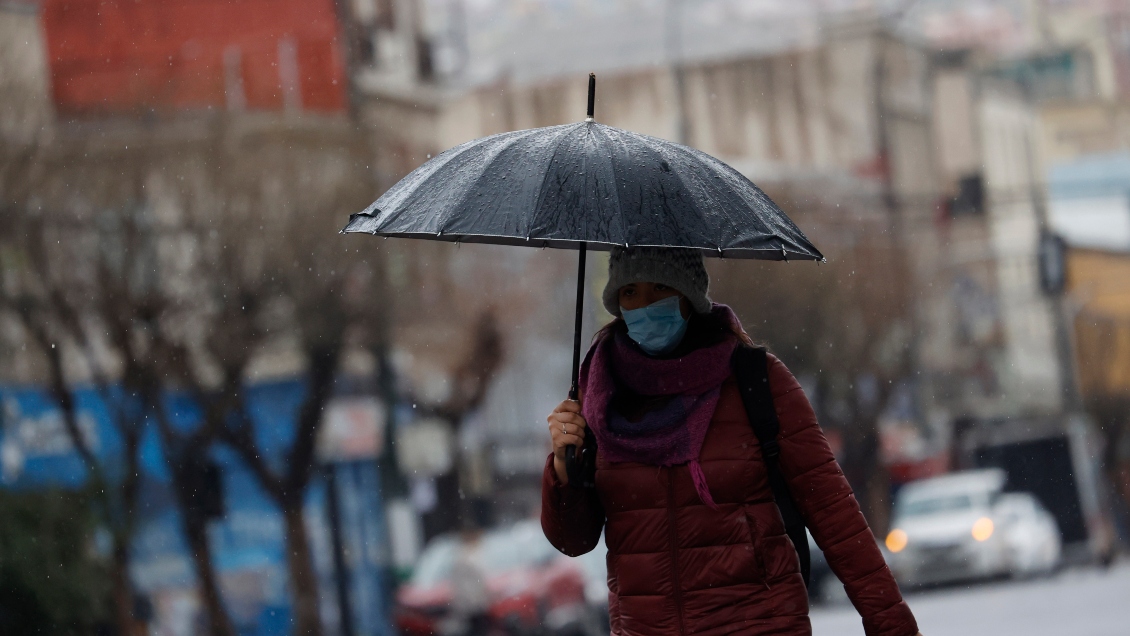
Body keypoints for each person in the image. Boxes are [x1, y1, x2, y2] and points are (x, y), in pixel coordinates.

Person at [541, 247, 922, 636]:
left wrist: (891, 624)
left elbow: (834, 515)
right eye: (630, 292)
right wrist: (562, 468)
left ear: (690, 296)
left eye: (660, 287)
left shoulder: (754, 380)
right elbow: (573, 540)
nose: (645, 305)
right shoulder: (598, 397)